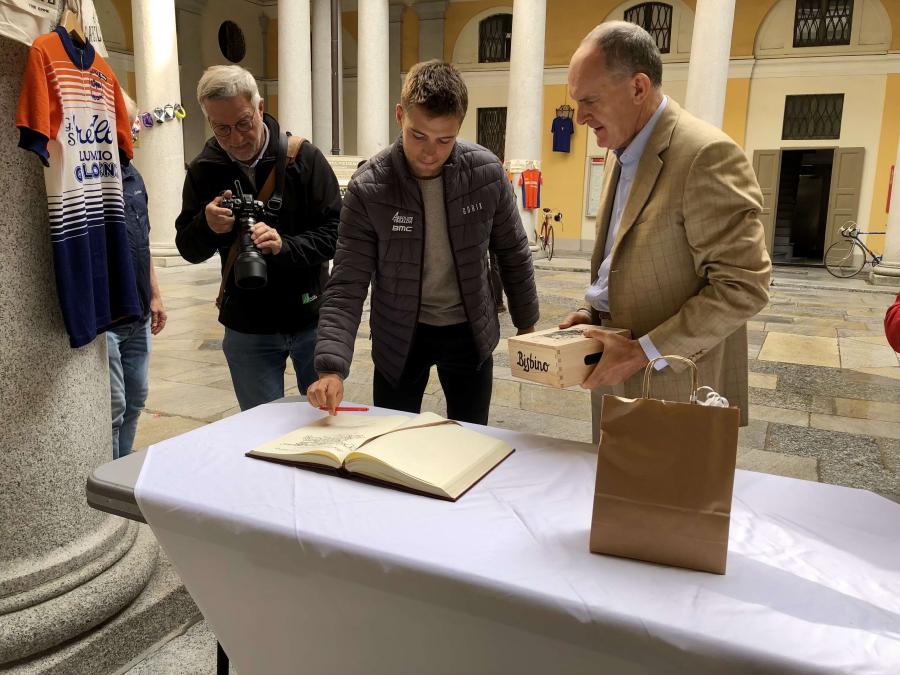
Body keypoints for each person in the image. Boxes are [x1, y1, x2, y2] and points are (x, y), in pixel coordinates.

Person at [560, 22, 771, 441]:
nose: (580, 117)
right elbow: (627, 261)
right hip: (614, 375)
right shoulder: (622, 151)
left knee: (670, 505)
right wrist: (595, 312)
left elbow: (745, 286)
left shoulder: (705, 155)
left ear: (638, 88)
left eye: (590, 101)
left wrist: (643, 352)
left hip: (677, 388)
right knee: (613, 497)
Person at [308, 60, 539, 424]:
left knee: (470, 440)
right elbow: (348, 281)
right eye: (418, 135)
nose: (430, 151)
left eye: (444, 140)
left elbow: (512, 252)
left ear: (459, 128)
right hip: (400, 336)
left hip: (470, 335)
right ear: (400, 115)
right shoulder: (369, 186)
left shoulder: (485, 173)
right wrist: (331, 367)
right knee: (394, 440)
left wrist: (527, 326)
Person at [175, 65, 341, 411]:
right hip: (247, 326)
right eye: (221, 129)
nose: (235, 139)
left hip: (310, 317)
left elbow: (336, 234)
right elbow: (187, 248)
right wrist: (207, 226)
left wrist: (285, 246)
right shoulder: (205, 169)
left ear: (260, 107)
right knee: (260, 432)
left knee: (324, 426)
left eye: (243, 123)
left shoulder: (304, 159)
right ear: (208, 121)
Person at [107, 94, 167, 458]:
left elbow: (142, 238)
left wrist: (156, 296)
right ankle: (108, 487)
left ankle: (120, 466)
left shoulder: (133, 174)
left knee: (136, 400)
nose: (134, 130)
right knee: (112, 409)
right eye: (126, 123)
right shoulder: (87, 177)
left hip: (140, 313)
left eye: (134, 122)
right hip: (109, 319)